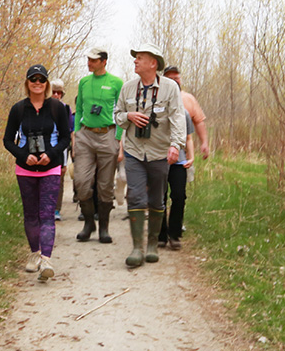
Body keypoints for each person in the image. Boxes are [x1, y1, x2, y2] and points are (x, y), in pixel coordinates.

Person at [114, 44, 186, 268]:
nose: (135, 61)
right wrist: (129, 116)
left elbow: (177, 118)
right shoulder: (127, 88)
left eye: (140, 58)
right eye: (135, 58)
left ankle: (152, 245)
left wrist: (176, 145)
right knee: (135, 195)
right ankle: (137, 248)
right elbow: (116, 116)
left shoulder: (170, 88)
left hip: (159, 153)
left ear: (153, 63)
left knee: (156, 199)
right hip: (134, 151)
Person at [3, 64, 71, 281]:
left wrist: (51, 155)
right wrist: (24, 156)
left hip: (50, 169)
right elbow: (7, 140)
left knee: (47, 214)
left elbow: (65, 138)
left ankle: (46, 260)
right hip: (25, 170)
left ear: (47, 83)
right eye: (34, 79)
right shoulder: (18, 109)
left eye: (42, 80)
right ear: (27, 83)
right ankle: (34, 254)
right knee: (31, 215)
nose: (38, 83)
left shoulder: (57, 108)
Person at [72, 47, 124, 243]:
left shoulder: (116, 83)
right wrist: (76, 136)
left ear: (103, 61)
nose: (89, 63)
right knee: (81, 183)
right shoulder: (84, 82)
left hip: (107, 135)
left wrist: (118, 139)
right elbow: (78, 110)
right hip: (85, 135)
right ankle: (88, 223)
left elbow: (121, 112)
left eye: (93, 60)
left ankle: (103, 228)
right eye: (88, 60)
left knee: (104, 185)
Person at [158, 66, 209, 251]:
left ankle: (175, 233)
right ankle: (161, 235)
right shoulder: (156, 108)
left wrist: (192, 156)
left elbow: (188, 137)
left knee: (179, 196)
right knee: (160, 198)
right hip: (159, 160)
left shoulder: (185, 110)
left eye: (176, 79)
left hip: (179, 161)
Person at [50, 79, 73, 221]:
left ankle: (56, 210)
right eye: (54, 92)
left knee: (59, 178)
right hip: (44, 147)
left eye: (59, 93)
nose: (57, 95)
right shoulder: (42, 107)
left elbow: (69, 132)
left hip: (60, 148)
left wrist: (64, 159)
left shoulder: (66, 109)